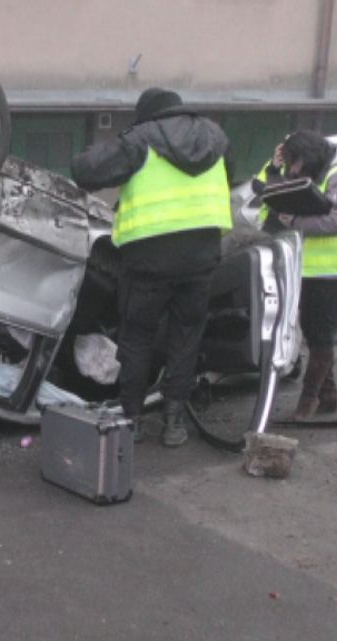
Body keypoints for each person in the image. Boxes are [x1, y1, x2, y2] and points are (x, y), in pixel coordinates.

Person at [69, 88, 232, 447]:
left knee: (137, 337)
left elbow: (86, 170)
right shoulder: (214, 139)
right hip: (201, 257)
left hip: (149, 261)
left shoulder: (142, 139)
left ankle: (132, 419)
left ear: (147, 115)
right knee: (186, 338)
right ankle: (173, 422)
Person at [261, 131, 337, 419]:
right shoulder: (316, 169)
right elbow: (282, 196)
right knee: (313, 333)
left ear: (309, 156)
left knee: (320, 338)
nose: (293, 170)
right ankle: (329, 393)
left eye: (295, 163)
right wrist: (274, 170)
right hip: (310, 269)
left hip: (336, 272)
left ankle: (307, 401)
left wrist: (297, 222)